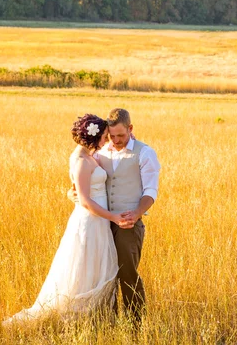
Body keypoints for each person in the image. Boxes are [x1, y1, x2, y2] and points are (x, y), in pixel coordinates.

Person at [3, 114, 125, 326]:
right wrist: (113, 216)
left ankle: (95, 315)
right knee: (83, 266)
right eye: (104, 136)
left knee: (94, 265)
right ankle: (77, 314)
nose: (106, 140)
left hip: (99, 221)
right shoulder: (80, 161)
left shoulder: (90, 155)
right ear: (92, 136)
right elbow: (86, 201)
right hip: (90, 221)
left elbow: (81, 191)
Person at [72, 108, 161, 327]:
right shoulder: (99, 152)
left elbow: (151, 191)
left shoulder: (145, 153)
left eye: (121, 135)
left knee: (127, 275)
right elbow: (82, 180)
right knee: (104, 275)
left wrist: (136, 213)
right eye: (112, 136)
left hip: (128, 226)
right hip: (100, 224)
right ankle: (108, 323)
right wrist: (71, 192)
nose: (116, 140)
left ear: (131, 129)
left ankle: (135, 325)